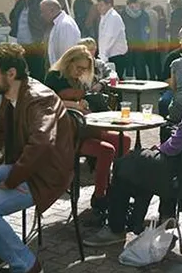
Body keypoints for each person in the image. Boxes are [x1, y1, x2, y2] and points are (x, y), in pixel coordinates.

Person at [85, 51, 182, 246]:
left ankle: (115, 228)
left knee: (124, 165)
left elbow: (173, 147)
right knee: (139, 164)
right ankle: (155, 216)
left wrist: (156, 149)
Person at [0, 43, 77, 273]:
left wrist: (12, 179)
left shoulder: (38, 98)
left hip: (43, 176)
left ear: (11, 73)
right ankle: (4, 247)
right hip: (27, 168)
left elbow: (42, 144)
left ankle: (26, 266)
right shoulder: (13, 93)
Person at [44, 46, 128, 208]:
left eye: (84, 69)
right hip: (66, 134)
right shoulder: (54, 76)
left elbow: (83, 101)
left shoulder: (79, 81)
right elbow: (48, 103)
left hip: (84, 127)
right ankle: (100, 196)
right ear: (69, 62)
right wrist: (75, 105)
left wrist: (84, 103)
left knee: (124, 140)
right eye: (79, 68)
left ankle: (115, 188)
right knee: (107, 150)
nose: (81, 72)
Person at [9, 0, 47, 81]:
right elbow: (12, 17)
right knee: (21, 77)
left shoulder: (41, 3)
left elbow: (48, 22)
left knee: (37, 76)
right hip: (20, 47)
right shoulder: (19, 3)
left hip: (36, 48)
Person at [41, 0, 81, 68]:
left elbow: (67, 54)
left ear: (52, 10)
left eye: (43, 11)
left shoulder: (65, 25)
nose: (42, 15)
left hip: (64, 70)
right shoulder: (58, 23)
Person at [120, 0, 150, 79]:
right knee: (140, 65)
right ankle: (141, 82)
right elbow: (147, 29)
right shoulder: (144, 14)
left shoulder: (123, 14)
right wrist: (146, 40)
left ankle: (129, 82)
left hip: (127, 42)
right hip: (140, 43)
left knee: (128, 64)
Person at [95, 0, 128, 74]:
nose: (98, 7)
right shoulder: (104, 16)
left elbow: (109, 38)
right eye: (98, 5)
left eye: (101, 5)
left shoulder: (113, 17)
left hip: (116, 56)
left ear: (109, 5)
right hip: (108, 55)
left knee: (115, 80)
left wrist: (102, 57)